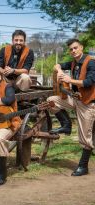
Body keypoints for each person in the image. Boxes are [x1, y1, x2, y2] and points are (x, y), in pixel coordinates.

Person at [48, 38, 95, 176]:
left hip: (88, 103)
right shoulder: (74, 62)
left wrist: (70, 80)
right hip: (76, 99)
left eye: (75, 48)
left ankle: (83, 166)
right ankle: (66, 124)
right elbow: (58, 65)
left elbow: (90, 81)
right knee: (51, 101)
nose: (73, 51)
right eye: (71, 49)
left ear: (81, 47)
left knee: (85, 136)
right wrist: (58, 70)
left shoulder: (91, 62)